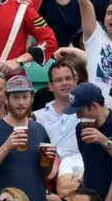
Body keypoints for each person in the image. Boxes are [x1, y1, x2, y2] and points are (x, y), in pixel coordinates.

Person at [0, 75, 57, 201]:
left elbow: (45, 175)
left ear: (32, 99)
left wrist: (50, 160)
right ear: (6, 99)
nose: (21, 102)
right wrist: (6, 147)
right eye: (15, 97)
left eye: (25, 97)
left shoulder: (39, 129)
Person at [63, 82, 112, 201]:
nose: (78, 116)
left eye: (80, 111)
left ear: (94, 106)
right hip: (90, 195)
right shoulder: (80, 128)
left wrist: (103, 140)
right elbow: (88, 163)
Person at [33, 61, 82, 198]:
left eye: (68, 78)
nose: (65, 83)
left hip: (76, 174)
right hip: (47, 174)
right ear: (50, 86)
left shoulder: (86, 112)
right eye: (59, 80)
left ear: (75, 81)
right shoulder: (37, 116)